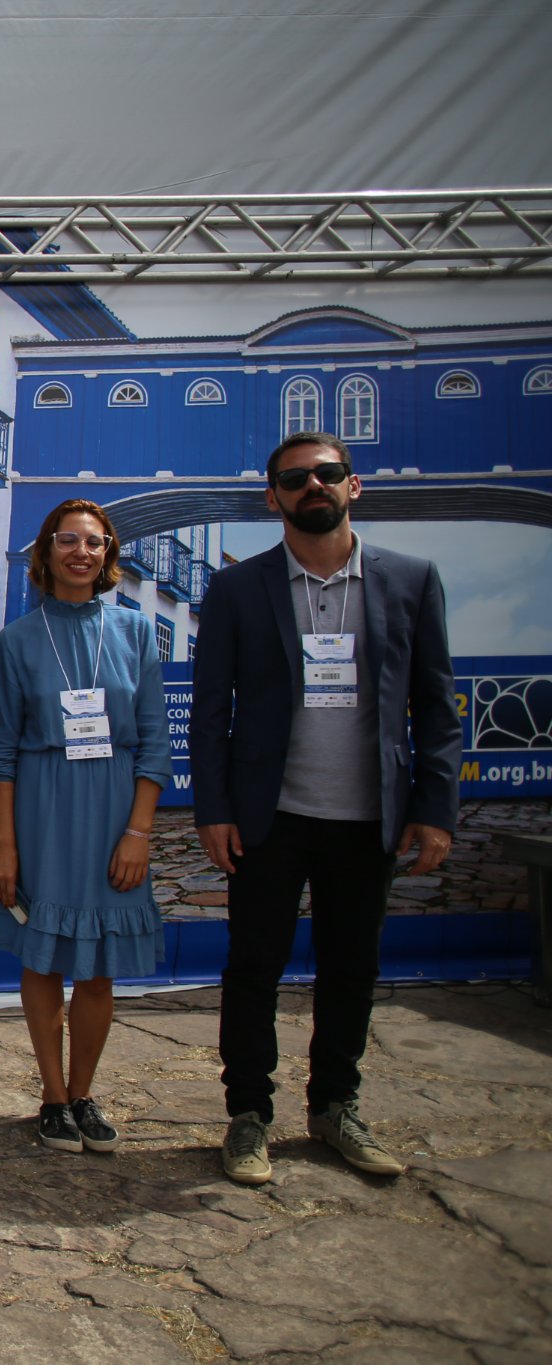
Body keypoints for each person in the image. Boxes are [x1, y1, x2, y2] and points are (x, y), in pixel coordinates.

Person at [191, 431, 459, 1185]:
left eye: (328, 474)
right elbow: (211, 708)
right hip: (269, 817)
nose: (314, 486)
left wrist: (435, 807)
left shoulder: (410, 580)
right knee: (254, 969)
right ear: (273, 495)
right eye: (295, 479)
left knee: (352, 968)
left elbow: (437, 704)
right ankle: (248, 1114)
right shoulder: (240, 589)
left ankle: (335, 1105)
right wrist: (213, 807)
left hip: (366, 817)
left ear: (354, 485)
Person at [0, 499, 168, 1155]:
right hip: (41, 808)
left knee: (98, 969)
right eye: (69, 539)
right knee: (43, 956)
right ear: (47, 550)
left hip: (115, 809)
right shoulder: (18, 640)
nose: (82, 551)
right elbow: (0, 750)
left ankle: (85, 1093)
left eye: (95, 541)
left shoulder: (137, 631)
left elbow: (154, 741)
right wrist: (5, 842)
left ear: (108, 553)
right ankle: (52, 1096)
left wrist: (139, 831)